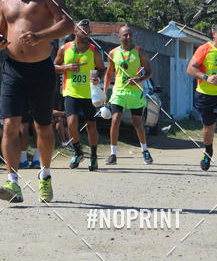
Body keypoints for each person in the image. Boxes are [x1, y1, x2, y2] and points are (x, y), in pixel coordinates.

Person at [0, 0, 74, 203]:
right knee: (10, 124)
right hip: (12, 69)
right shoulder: (5, 2)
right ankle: (12, 181)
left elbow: (68, 24)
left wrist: (40, 36)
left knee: (43, 126)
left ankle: (45, 175)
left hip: (41, 70)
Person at [54, 18, 105, 170]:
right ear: (75, 31)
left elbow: (102, 69)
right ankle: (78, 152)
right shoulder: (64, 48)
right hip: (71, 91)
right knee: (71, 123)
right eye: (84, 30)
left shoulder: (94, 51)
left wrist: (97, 79)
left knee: (91, 125)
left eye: (89, 31)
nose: (87, 33)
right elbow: (54, 66)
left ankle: (94, 157)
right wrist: (66, 67)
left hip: (89, 94)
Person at [103, 25, 153, 165]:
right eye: (125, 35)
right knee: (115, 120)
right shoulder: (113, 53)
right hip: (119, 91)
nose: (129, 37)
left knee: (137, 123)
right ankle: (113, 154)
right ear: (119, 37)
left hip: (135, 92)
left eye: (130, 34)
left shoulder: (140, 52)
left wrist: (139, 79)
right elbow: (108, 74)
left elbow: (149, 72)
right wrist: (104, 94)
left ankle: (145, 150)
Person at [187, 23, 217, 171]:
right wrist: (206, 77)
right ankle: (208, 152)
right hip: (205, 95)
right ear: (214, 34)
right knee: (209, 126)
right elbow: (190, 68)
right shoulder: (204, 49)